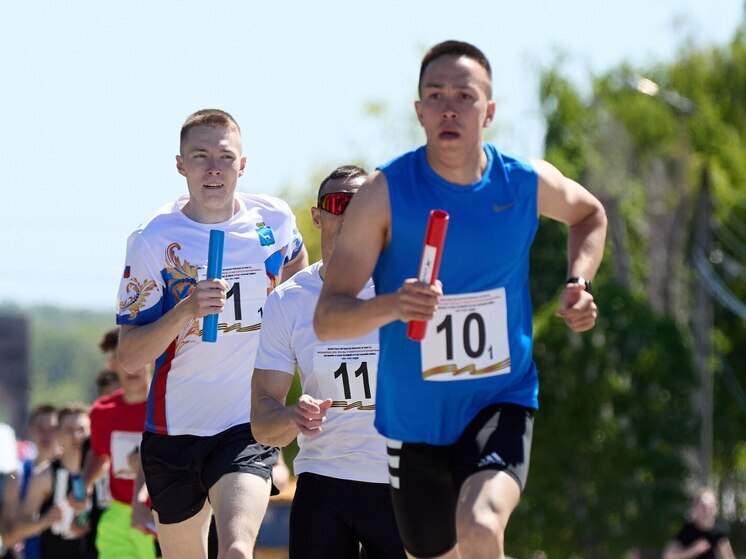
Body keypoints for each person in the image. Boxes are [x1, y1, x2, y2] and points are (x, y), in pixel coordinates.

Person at [314, 40, 607, 559]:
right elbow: (328, 318)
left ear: (489, 110)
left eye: (464, 96)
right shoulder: (384, 194)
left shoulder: (522, 182)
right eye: (435, 95)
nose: (449, 107)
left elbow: (589, 215)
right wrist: (394, 305)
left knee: (480, 524)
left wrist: (579, 282)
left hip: (500, 398)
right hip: (414, 421)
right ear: (419, 111)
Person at [116, 108, 308, 559]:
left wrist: (287, 328)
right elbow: (129, 356)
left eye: (225, 156)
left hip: (246, 423)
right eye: (200, 157)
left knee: (237, 549)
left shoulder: (273, 220)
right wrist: (186, 309)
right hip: (174, 429)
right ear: (180, 165)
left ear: (243, 164)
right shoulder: (153, 240)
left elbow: (299, 271)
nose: (214, 169)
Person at [251, 165, 406, 559]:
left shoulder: (405, 289)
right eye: (339, 203)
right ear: (318, 216)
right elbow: (262, 422)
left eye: (363, 203)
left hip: (400, 480)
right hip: (323, 481)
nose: (350, 212)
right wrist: (292, 415)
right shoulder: (288, 301)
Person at [70, 327, 158, 559]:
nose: (133, 366)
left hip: (162, 514)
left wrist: (146, 463)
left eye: (140, 355)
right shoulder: (102, 412)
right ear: (112, 364)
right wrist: (84, 484)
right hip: (119, 516)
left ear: (152, 358)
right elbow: (99, 454)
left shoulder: (168, 404)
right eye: (125, 357)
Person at [17, 404, 95, 558]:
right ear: (58, 434)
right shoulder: (44, 476)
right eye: (69, 430)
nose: (76, 435)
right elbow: (18, 528)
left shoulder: (102, 472)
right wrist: (46, 520)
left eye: (81, 429)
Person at [662, 488, 736, 559]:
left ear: (715, 509)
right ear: (695, 509)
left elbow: (728, 557)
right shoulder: (687, 531)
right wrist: (692, 550)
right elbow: (668, 556)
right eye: (703, 507)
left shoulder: (719, 533)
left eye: (710, 507)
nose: (706, 511)